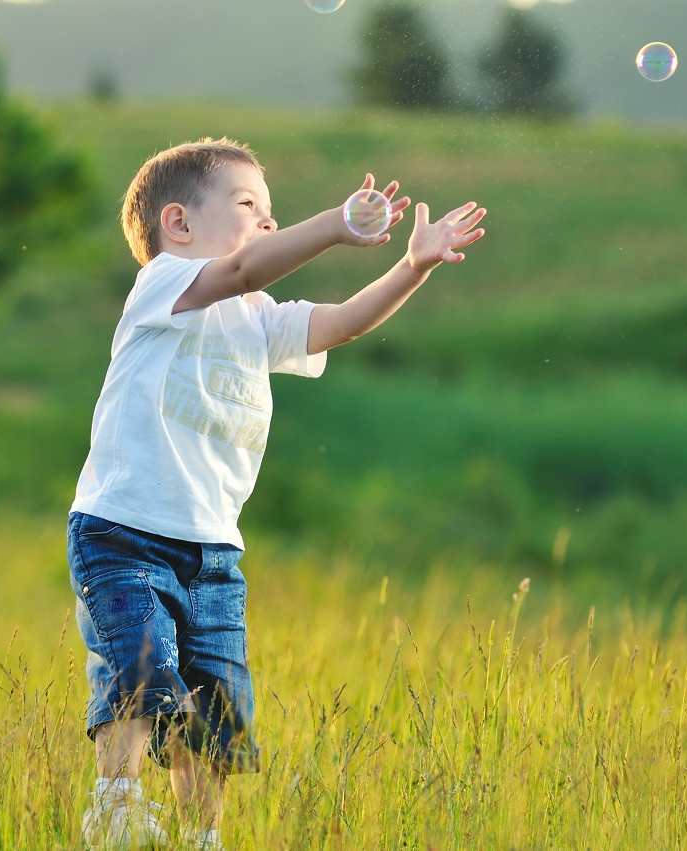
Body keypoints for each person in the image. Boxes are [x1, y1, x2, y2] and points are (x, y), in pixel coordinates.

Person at [67, 137, 485, 850]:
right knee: (140, 659)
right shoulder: (165, 284)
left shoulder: (258, 318)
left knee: (216, 701)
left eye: (272, 210)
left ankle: (202, 835)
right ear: (179, 224)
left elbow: (341, 321)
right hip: (123, 528)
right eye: (248, 205)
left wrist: (411, 265)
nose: (267, 221)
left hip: (216, 550)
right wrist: (333, 224)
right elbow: (242, 266)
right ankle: (116, 802)